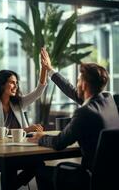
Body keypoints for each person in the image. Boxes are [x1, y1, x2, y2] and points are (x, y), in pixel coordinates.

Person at [28, 48, 119, 190]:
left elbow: (59, 143)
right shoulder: (109, 101)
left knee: (40, 170)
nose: (76, 84)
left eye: (78, 81)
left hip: (88, 178)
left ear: (83, 84)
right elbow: (74, 92)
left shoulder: (84, 112)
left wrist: (41, 137)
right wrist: (50, 70)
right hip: (112, 178)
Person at [0, 64, 47, 190]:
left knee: (39, 164)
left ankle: (11, 187)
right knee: (10, 166)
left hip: (19, 151)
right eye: (12, 82)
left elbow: (38, 92)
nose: (15, 86)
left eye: (16, 83)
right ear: (2, 84)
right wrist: (26, 130)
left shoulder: (19, 103)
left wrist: (44, 69)